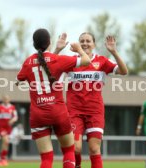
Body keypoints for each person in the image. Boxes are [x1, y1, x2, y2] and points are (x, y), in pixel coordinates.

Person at [17, 28, 90, 168]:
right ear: (49, 42)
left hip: (38, 114)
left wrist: (56, 50)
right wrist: (79, 49)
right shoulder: (58, 59)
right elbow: (86, 61)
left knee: (46, 159)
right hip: (58, 112)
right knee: (69, 150)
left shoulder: (28, 62)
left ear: (34, 44)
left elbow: (18, 80)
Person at [55, 32, 128, 168]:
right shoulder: (71, 61)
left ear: (94, 44)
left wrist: (114, 52)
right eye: (82, 41)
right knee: (75, 148)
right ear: (78, 43)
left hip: (95, 111)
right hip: (74, 111)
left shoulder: (102, 61)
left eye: (88, 41)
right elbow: (50, 67)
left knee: (94, 149)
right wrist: (58, 49)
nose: (85, 43)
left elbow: (124, 71)